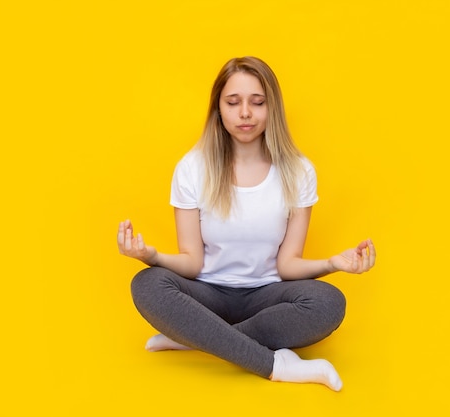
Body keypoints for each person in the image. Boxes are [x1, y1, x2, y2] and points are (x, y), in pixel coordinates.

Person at [117, 56, 376, 391]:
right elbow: (191, 263)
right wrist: (149, 256)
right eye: (233, 102)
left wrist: (333, 263)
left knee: (329, 302)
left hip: (266, 296)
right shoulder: (192, 168)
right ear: (218, 108)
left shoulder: (299, 172)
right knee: (147, 284)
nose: (245, 114)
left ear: (272, 109)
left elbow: (287, 266)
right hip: (207, 294)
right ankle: (276, 365)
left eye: (257, 102)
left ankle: (196, 336)